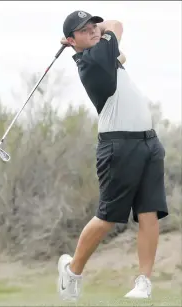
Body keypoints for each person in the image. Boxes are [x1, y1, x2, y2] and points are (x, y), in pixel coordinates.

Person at [57, 10, 168, 302]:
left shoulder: (103, 54)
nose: (94, 30)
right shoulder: (93, 61)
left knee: (149, 213)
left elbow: (116, 48)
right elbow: (117, 24)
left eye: (93, 24)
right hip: (119, 145)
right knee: (107, 217)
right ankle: (73, 270)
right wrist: (94, 34)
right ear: (72, 40)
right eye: (84, 29)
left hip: (148, 142)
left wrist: (80, 38)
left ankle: (144, 281)